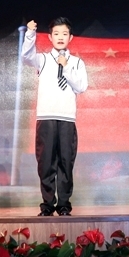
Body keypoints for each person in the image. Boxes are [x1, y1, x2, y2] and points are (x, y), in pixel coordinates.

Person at [22, 17, 88, 216]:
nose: (60, 37)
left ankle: (64, 205)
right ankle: (48, 204)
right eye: (56, 34)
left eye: (64, 34)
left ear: (71, 37)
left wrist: (65, 66)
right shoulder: (42, 59)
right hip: (46, 117)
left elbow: (81, 86)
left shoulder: (76, 62)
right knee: (46, 162)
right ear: (50, 37)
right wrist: (30, 34)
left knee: (66, 162)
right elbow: (26, 56)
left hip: (67, 118)